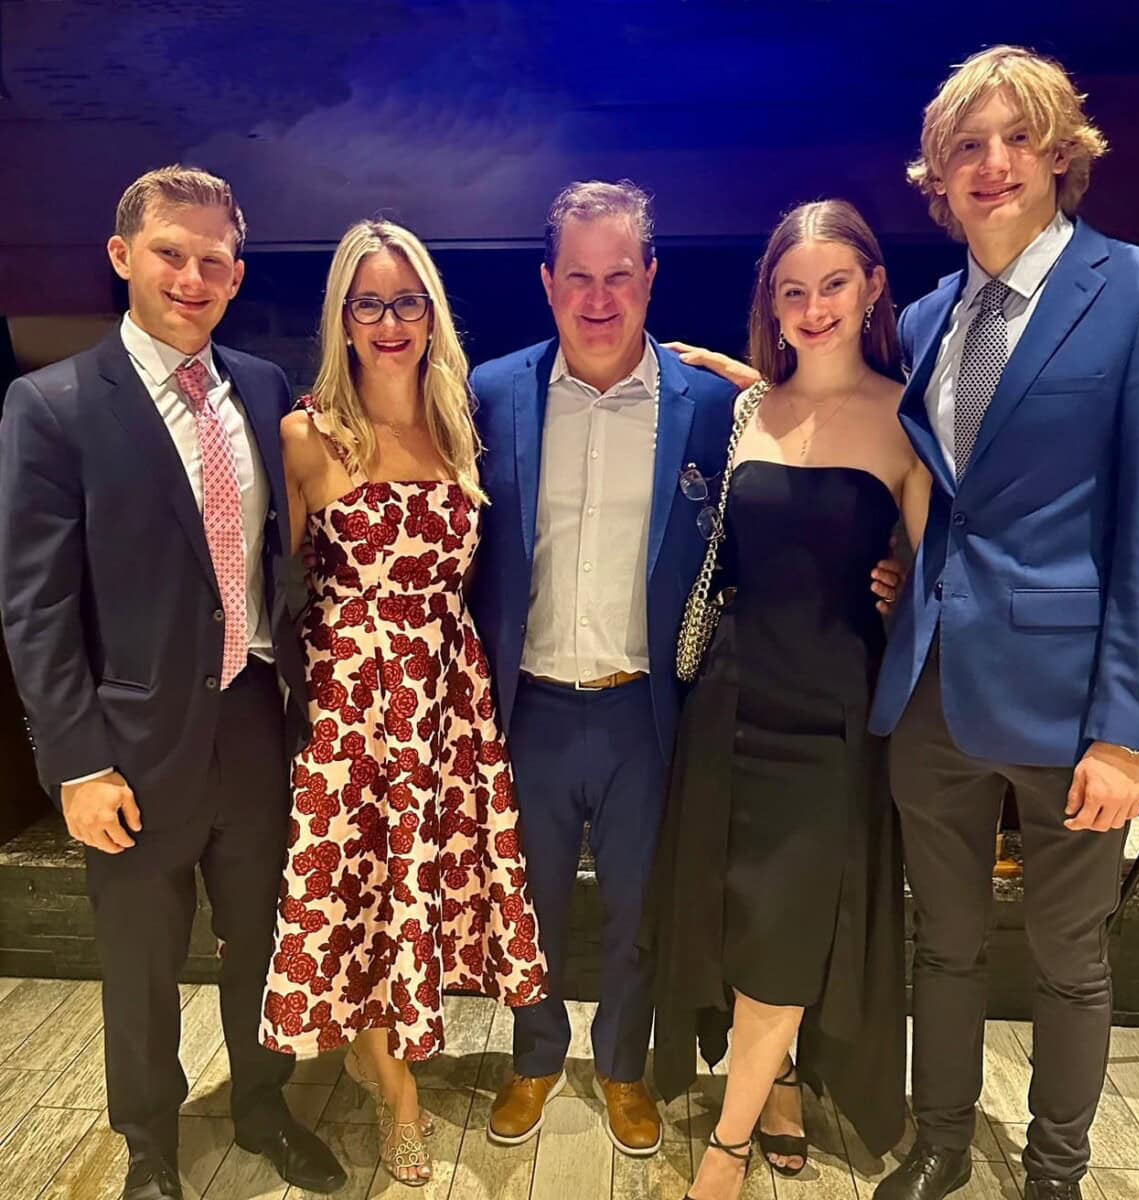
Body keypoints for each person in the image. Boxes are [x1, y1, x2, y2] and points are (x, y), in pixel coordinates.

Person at [467, 180, 906, 1157]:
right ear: (547, 282)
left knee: (639, 910)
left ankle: (624, 1066)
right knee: (526, 904)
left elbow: (796, 466)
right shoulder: (489, 393)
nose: (598, 296)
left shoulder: (713, 405)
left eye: (619, 274)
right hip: (527, 706)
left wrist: (898, 570)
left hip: (650, 706)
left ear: (650, 276)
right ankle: (536, 1056)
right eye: (577, 275)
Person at [865, 47, 1139, 1200]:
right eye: (968, 145)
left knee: (1068, 963)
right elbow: (949, 496)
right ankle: (944, 1142)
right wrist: (906, 576)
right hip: (932, 693)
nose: (993, 163)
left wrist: (1125, 731)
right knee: (943, 945)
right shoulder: (923, 318)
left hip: (1070, 712)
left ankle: (1057, 1174)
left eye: (1018, 138)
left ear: (1063, 154)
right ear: (939, 178)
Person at [0, 166, 345, 1200]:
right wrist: (76, 764)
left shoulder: (268, 386)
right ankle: (149, 1143)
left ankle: (263, 1104)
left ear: (236, 272)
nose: (192, 277)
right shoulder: (51, 406)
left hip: (256, 725)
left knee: (261, 943)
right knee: (142, 967)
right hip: (132, 746)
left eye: (213, 259)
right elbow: (36, 605)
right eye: (170, 254)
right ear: (123, 259)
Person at [258, 219, 547, 1187]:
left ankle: (389, 1059)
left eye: (406, 301)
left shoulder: (463, 416)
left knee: (415, 903)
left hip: (445, 700)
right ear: (342, 317)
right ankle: (402, 1100)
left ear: (431, 313)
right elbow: (273, 589)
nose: (390, 322)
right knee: (368, 906)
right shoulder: (305, 437)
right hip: (352, 711)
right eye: (368, 303)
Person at [649, 200, 927, 1200]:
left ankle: (722, 1155)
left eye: (834, 285)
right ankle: (773, 1093)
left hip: (833, 716)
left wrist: (901, 576)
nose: (814, 308)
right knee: (734, 910)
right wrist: (735, 373)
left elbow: (940, 587)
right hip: (729, 697)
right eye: (793, 291)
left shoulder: (908, 418)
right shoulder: (744, 412)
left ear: (872, 287)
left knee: (791, 917)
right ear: (772, 301)